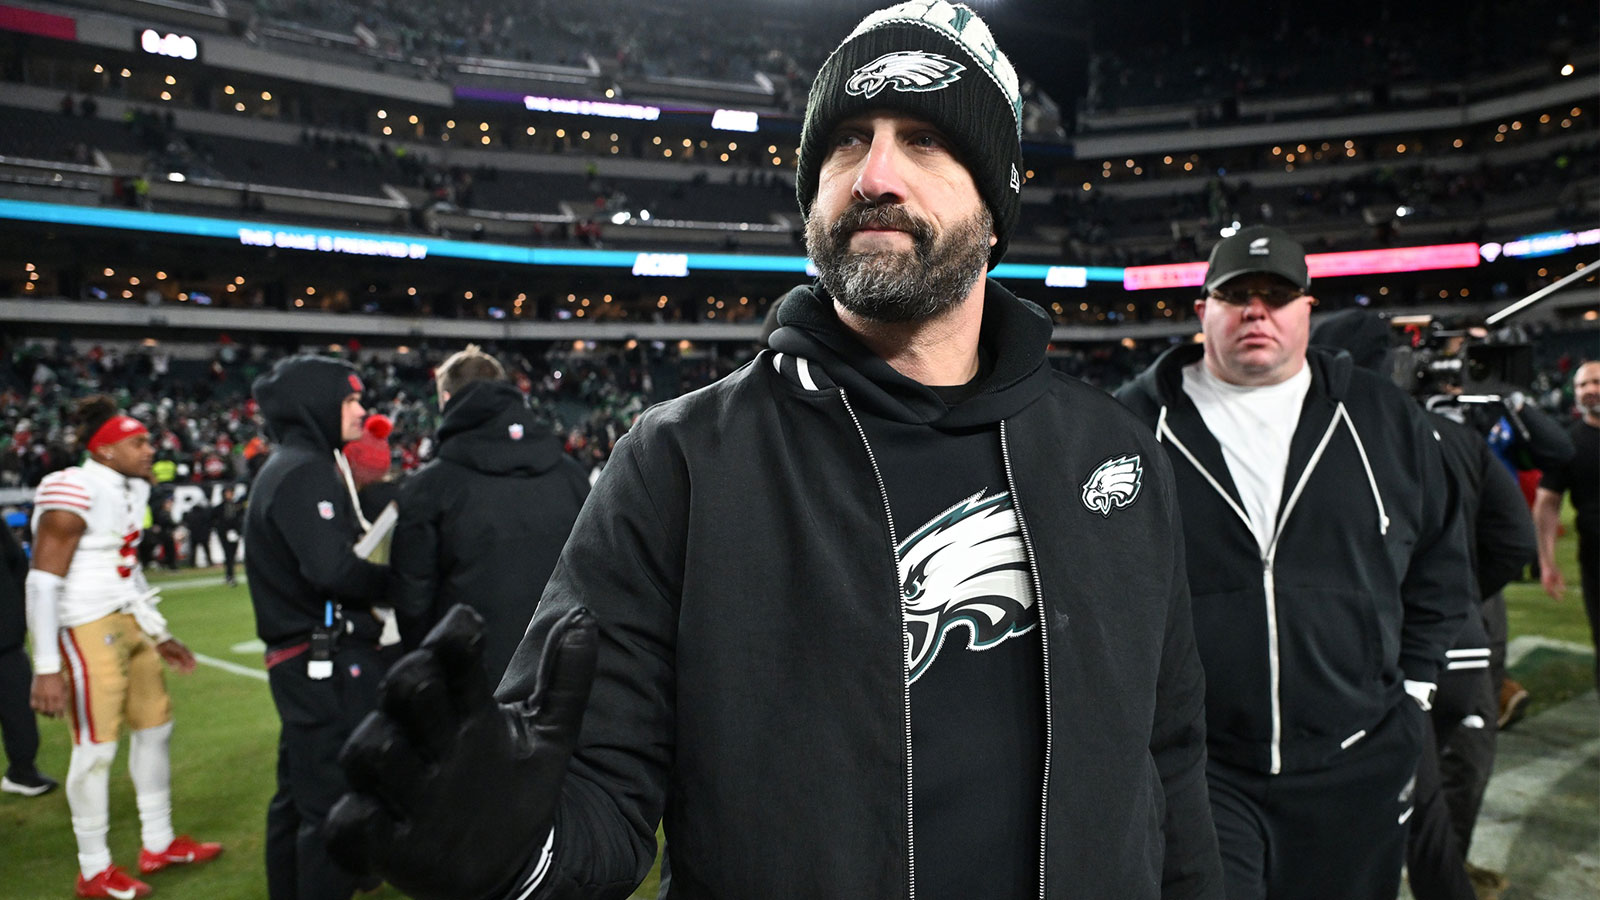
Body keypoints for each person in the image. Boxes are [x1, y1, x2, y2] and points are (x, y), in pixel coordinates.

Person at [325, 4, 1223, 899]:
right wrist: (515, 851)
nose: (874, 174)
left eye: (923, 140)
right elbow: (598, 796)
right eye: (844, 141)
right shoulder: (678, 463)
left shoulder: (1112, 456)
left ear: (996, 206)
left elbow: (1169, 764)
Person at [1114, 226, 1470, 900]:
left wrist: (1417, 684)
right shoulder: (1131, 424)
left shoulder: (1380, 414)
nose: (1257, 310)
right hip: (1201, 765)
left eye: (1276, 295)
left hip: (1357, 756)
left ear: (1307, 308)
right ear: (1203, 310)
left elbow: (1441, 558)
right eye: (1236, 294)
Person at [26, 396, 221, 899]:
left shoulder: (131, 488)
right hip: (87, 623)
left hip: (128, 620)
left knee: (157, 726)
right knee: (96, 748)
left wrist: (159, 633)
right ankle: (93, 869)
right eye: (137, 442)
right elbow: (43, 582)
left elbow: (127, 566)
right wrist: (46, 666)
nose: (149, 449)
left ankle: (157, 843)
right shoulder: (73, 486)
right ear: (105, 450)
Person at [244, 356, 392, 900]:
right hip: (320, 660)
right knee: (330, 808)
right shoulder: (305, 469)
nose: (361, 410)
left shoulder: (290, 464)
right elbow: (332, 571)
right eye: (351, 400)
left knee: (295, 798)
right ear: (317, 405)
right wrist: (399, 579)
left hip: (302, 657)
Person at [389, 345, 590, 682]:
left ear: (447, 399)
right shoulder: (571, 475)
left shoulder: (430, 487)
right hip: (560, 680)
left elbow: (413, 603)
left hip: (468, 685)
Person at [1534, 360, 1600, 691]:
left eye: (1596, 382)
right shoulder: (1567, 443)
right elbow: (1547, 503)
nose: (1589, 390)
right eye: (1582, 385)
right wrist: (1546, 563)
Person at [1, 517, 56, 797]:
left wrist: (17, 616)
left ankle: (22, 771)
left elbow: (17, 565)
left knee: (20, 713)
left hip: (6, 642)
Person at [215, 485, 245, 587]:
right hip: (225, 533)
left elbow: (239, 519)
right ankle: (230, 575)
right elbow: (215, 520)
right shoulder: (220, 508)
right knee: (228, 555)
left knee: (232, 555)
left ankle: (230, 575)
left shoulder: (237, 506)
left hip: (234, 533)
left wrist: (237, 530)